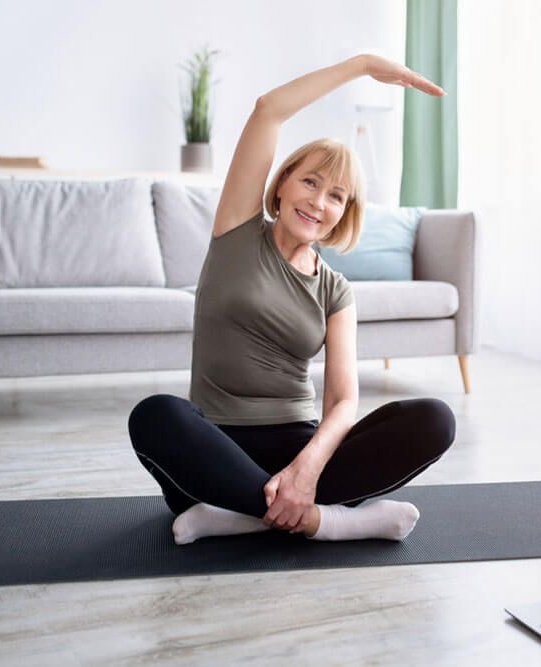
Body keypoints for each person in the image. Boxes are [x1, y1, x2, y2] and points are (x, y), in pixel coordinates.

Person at [128, 54, 454, 544]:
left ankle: (238, 516)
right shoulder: (237, 232)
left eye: (336, 196)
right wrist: (362, 66)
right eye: (310, 181)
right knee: (155, 416)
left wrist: (307, 468)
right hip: (215, 451)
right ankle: (327, 523)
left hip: (298, 449)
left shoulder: (335, 290)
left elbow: (343, 401)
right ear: (280, 184)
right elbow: (268, 110)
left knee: (435, 419)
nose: (318, 202)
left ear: (344, 214)